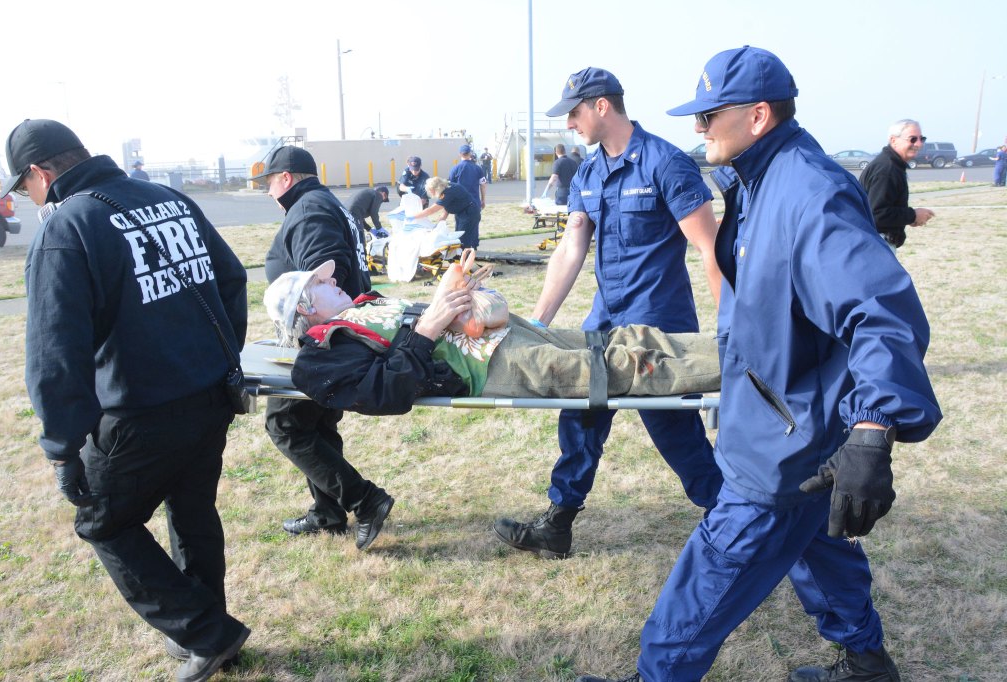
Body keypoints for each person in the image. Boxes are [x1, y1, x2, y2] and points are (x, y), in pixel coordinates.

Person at [576, 46, 943, 682]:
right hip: (776, 417)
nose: (698, 128)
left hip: (785, 440)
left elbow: (882, 312)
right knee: (818, 545)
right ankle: (866, 663)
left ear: (758, 115)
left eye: (709, 115)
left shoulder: (809, 194)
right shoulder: (759, 181)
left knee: (712, 572)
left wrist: (873, 431)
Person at [4, 119, 251, 680]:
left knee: (103, 522)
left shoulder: (70, 225)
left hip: (140, 412)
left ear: (40, 173)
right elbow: (231, 280)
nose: (29, 200)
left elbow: (54, 352)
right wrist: (218, 359)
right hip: (209, 397)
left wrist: (63, 449)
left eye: (26, 189)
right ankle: (205, 626)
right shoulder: (168, 199)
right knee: (191, 511)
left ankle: (207, 632)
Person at [493, 67, 724, 561]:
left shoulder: (666, 163)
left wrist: (733, 330)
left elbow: (709, 249)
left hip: (658, 326)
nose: (570, 123)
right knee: (580, 411)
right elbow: (572, 248)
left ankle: (729, 518)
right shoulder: (588, 171)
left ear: (602, 106)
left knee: (672, 428)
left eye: (574, 112)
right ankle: (559, 522)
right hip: (604, 320)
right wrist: (538, 323)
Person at [262, 261, 720, 414]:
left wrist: (455, 290)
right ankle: (751, 367)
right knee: (622, 367)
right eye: (321, 284)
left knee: (622, 338)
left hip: (503, 332)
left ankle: (738, 347)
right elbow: (385, 393)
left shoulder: (362, 305)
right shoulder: (322, 356)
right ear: (305, 306)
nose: (334, 280)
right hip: (485, 366)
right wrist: (427, 329)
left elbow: (427, 317)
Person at [252, 146, 394, 550]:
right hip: (335, 337)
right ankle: (328, 513)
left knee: (287, 425)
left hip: (324, 338)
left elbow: (323, 278)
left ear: (287, 178)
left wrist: (312, 340)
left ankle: (365, 500)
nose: (267, 192)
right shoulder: (323, 202)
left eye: (269, 183)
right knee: (317, 426)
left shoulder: (310, 208)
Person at [858, 120, 935, 250]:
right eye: (912, 139)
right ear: (893, 140)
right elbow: (877, 214)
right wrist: (913, 215)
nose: (918, 144)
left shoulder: (892, 165)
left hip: (877, 242)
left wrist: (909, 218)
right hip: (877, 244)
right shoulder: (887, 170)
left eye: (921, 139)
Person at [414, 176, 483, 249]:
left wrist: (413, 217)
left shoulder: (447, 192)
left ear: (436, 188)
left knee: (464, 239)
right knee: (459, 236)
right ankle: (461, 255)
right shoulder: (446, 187)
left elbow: (431, 210)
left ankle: (465, 256)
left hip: (469, 213)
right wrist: (441, 220)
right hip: (462, 211)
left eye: (431, 190)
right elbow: (447, 205)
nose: (430, 192)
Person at [449, 143, 487, 210]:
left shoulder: (454, 169)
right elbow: (483, 185)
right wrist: (483, 200)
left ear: (460, 154)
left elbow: (450, 187)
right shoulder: (478, 168)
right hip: (475, 203)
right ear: (470, 154)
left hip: (460, 204)